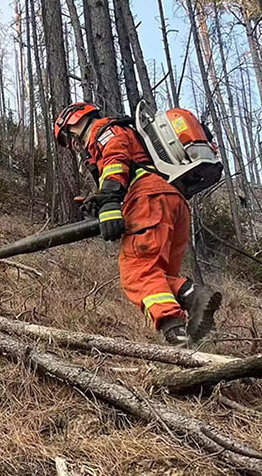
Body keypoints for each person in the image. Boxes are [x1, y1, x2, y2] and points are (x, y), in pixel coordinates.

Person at [54, 101, 222, 347]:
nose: (73, 144)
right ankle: (195, 300)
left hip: (148, 200)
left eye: (69, 137)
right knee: (160, 277)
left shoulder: (104, 130)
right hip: (173, 201)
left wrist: (110, 200)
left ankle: (175, 333)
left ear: (75, 120)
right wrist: (101, 200)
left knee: (137, 272)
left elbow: (115, 158)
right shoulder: (125, 132)